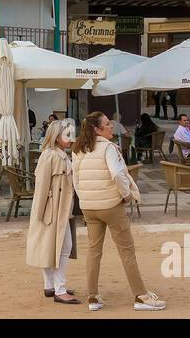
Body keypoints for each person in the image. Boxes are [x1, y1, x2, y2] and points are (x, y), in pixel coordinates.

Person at [72, 112, 165, 312]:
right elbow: (117, 174)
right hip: (110, 204)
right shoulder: (108, 148)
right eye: (107, 124)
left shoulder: (78, 148)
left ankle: (93, 296)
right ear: (97, 129)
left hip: (89, 206)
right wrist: (126, 195)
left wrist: (84, 197)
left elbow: (75, 179)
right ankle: (141, 295)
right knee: (126, 250)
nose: (111, 127)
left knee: (93, 251)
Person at [27, 119, 80, 304]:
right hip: (53, 210)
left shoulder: (59, 155)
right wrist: (40, 213)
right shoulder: (50, 156)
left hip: (59, 209)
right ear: (56, 137)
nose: (70, 138)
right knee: (61, 247)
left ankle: (51, 286)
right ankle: (59, 288)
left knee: (53, 247)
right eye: (67, 135)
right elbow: (41, 187)